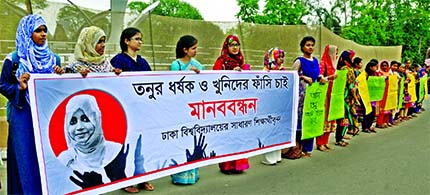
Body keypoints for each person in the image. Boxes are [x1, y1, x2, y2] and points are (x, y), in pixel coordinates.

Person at [0, 14, 63, 194]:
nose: (43, 34)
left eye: (45, 30)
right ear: (27, 33)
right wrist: (19, 87)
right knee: (25, 156)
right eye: (38, 30)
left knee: (47, 155)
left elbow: (57, 90)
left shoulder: (54, 59)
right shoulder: (14, 59)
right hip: (22, 115)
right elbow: (3, 85)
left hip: (46, 114)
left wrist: (59, 76)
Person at [110, 27, 153, 193]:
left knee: (143, 146)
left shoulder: (143, 62)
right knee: (125, 146)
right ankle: (125, 181)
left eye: (141, 39)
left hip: (142, 110)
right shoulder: (118, 61)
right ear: (126, 41)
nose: (140, 42)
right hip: (124, 111)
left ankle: (142, 178)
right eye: (136, 38)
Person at [169, 35, 205, 184]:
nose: (196, 51)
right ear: (185, 49)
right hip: (179, 109)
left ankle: (193, 174)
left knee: (192, 140)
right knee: (181, 142)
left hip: (194, 109)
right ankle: (180, 176)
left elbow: (204, 83)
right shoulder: (176, 64)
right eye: (193, 48)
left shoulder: (197, 64)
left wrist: (199, 74)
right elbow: (174, 85)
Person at [213, 35, 250, 174]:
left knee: (240, 133)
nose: (235, 47)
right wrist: (229, 73)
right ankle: (227, 166)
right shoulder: (221, 61)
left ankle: (239, 165)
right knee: (228, 134)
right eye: (232, 45)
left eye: (237, 44)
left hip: (240, 105)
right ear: (226, 47)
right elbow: (215, 79)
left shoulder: (241, 61)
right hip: (226, 105)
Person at [292, 36, 327, 157]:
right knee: (301, 120)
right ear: (302, 47)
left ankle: (307, 148)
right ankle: (297, 147)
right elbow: (292, 77)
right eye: (308, 45)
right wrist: (302, 77)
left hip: (313, 95)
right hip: (301, 96)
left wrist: (321, 78)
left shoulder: (316, 61)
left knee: (311, 119)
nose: (310, 47)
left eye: (312, 45)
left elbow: (316, 75)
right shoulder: (299, 61)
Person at [261, 47, 285, 165]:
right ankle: (270, 158)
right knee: (269, 130)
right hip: (268, 106)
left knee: (278, 130)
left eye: (282, 57)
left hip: (279, 106)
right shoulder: (266, 72)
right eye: (278, 57)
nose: (281, 59)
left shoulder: (283, 71)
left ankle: (277, 155)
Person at [315, 45, 338, 152]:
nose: (336, 55)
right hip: (324, 94)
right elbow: (319, 78)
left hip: (332, 93)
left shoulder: (334, 65)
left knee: (330, 117)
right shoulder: (323, 63)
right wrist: (330, 78)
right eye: (335, 52)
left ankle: (325, 141)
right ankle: (320, 143)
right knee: (323, 118)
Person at [334, 50, 358, 146]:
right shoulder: (347, 69)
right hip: (346, 96)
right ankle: (339, 138)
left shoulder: (342, 68)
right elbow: (350, 86)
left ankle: (340, 136)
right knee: (345, 116)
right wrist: (356, 97)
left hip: (342, 95)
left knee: (343, 117)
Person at [361, 59, 379, 133]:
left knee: (373, 112)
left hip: (372, 96)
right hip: (366, 95)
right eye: (375, 66)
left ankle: (369, 125)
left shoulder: (375, 74)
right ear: (370, 67)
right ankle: (365, 127)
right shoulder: (364, 74)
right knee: (367, 112)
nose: (376, 68)